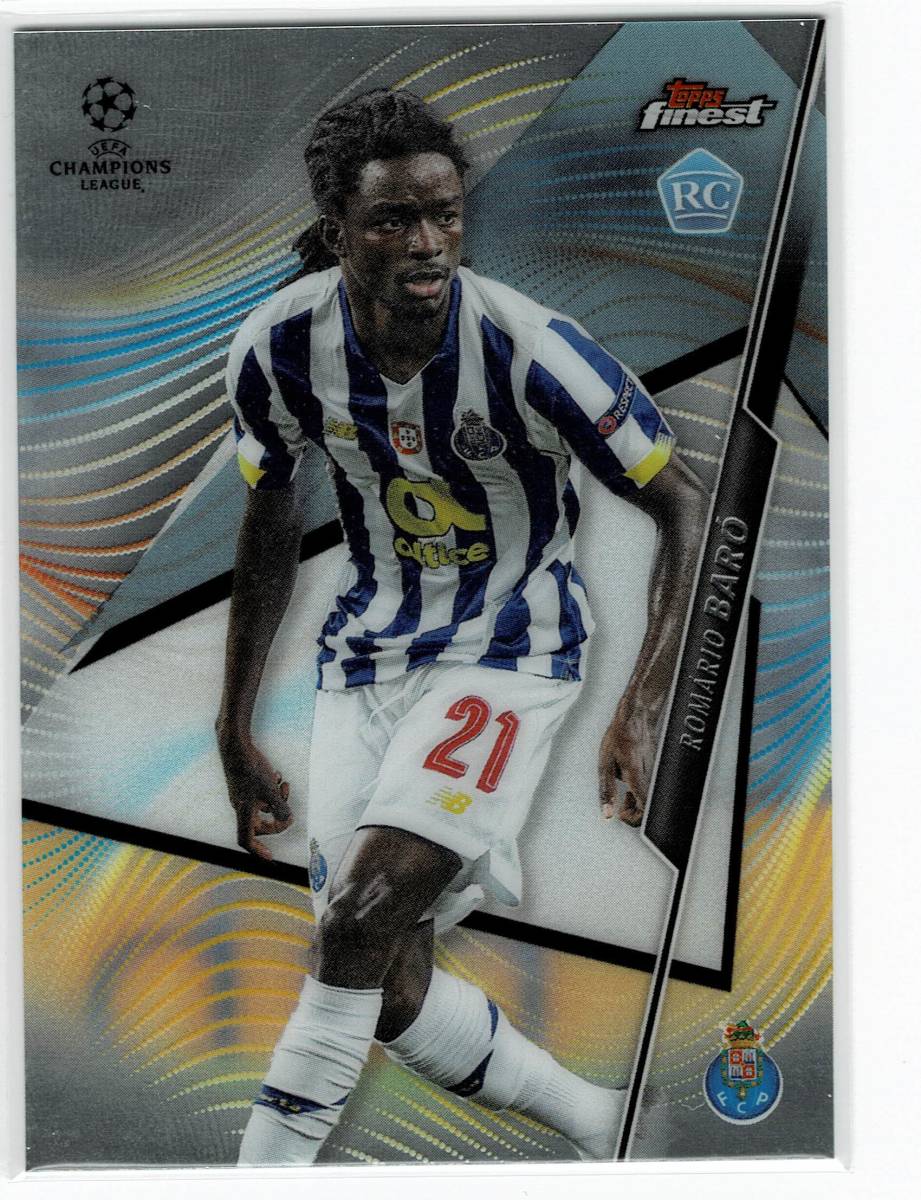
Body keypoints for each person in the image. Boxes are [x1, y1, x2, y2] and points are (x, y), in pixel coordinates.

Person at [216, 89, 707, 1165]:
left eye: (443, 214)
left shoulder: (531, 348)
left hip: (510, 651)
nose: (428, 242)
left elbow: (679, 502)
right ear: (337, 232)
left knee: (355, 920)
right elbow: (269, 518)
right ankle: (604, 1124)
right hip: (366, 660)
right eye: (393, 220)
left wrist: (642, 704)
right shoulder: (278, 349)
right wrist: (232, 721)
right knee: (380, 980)